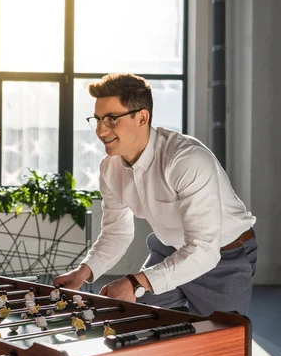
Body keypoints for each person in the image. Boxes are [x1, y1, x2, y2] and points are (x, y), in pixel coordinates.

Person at [54, 73, 257, 317]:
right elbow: (116, 233)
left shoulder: (187, 160)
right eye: (97, 119)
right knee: (140, 324)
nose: (100, 130)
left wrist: (135, 282)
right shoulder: (110, 167)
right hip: (169, 248)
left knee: (219, 349)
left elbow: (204, 250)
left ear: (142, 117)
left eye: (111, 119)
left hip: (224, 255)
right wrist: (83, 272)